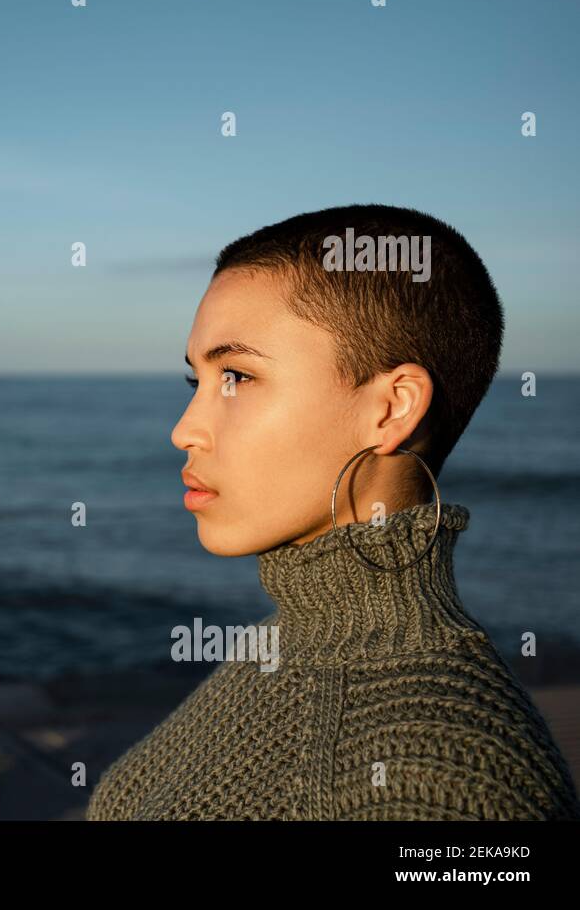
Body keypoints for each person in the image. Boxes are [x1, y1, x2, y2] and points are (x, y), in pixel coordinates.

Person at [86, 205, 580, 820]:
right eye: (199, 382)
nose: (185, 431)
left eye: (237, 376)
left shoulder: (441, 784)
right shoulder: (283, 642)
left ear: (393, 408)